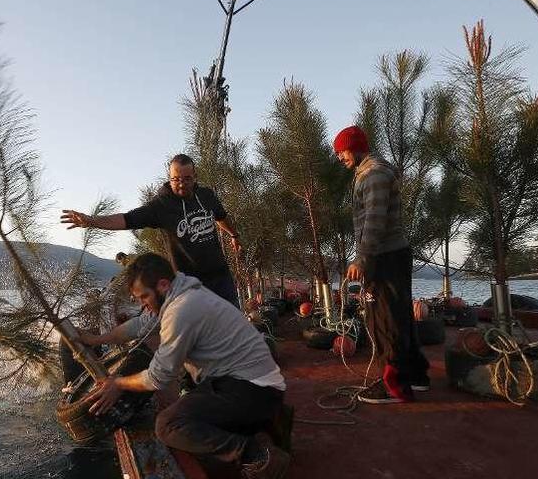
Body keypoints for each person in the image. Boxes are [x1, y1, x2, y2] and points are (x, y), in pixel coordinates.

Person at [81, 253, 289, 479]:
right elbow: (140, 324)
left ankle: (258, 457)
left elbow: (158, 377)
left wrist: (118, 383)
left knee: (169, 425)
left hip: (253, 389)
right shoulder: (181, 292)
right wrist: (96, 341)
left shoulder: (181, 309)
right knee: (188, 394)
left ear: (162, 285)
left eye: (144, 297)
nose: (143, 305)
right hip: (251, 383)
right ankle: (270, 422)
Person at [61, 154, 241, 307]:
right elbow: (127, 219)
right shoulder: (161, 206)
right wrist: (93, 221)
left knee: (234, 325)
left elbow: (220, 216)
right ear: (169, 177)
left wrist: (233, 235)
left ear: (195, 176)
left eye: (187, 179)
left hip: (220, 276)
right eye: (176, 179)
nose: (181, 184)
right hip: (190, 285)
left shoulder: (206, 196)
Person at [333, 125, 430, 404]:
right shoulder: (370, 171)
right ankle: (415, 375)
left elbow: (374, 221)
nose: (340, 158)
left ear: (356, 147)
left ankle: (394, 386)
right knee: (400, 315)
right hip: (391, 254)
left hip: (385, 256)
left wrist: (362, 258)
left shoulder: (373, 174)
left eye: (342, 151)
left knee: (386, 319)